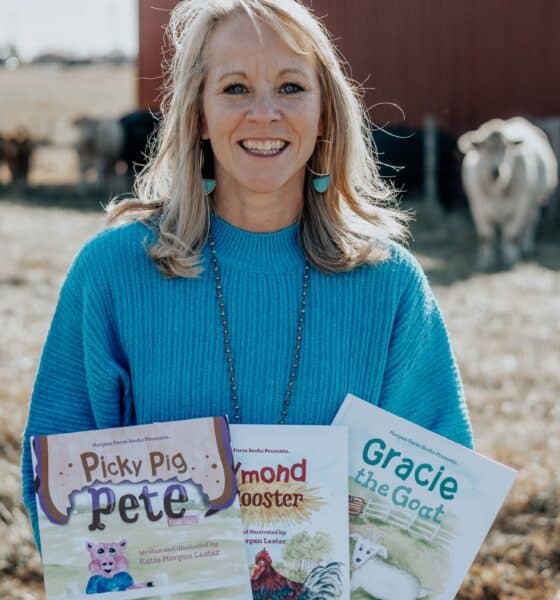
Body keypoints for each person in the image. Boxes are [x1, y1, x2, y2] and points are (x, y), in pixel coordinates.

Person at [22, 0, 473, 552]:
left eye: (290, 87)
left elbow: (434, 520)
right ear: (198, 115)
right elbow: (55, 489)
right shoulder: (113, 275)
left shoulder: (391, 288)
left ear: (325, 112)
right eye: (235, 88)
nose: (265, 113)